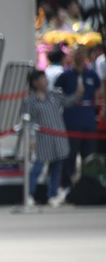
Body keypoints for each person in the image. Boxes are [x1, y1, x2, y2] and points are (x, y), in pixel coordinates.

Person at [54, 45, 101, 197]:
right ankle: (67, 185)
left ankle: (90, 186)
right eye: (77, 53)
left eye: (82, 53)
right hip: (72, 120)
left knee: (89, 156)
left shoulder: (92, 75)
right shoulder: (65, 76)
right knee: (70, 156)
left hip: (88, 120)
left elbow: (98, 94)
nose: (80, 56)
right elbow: (57, 96)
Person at [21, 69, 71, 206]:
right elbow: (27, 121)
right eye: (43, 79)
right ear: (35, 83)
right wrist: (30, 138)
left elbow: (68, 102)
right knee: (37, 167)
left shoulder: (54, 96)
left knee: (56, 168)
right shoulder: (30, 101)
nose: (46, 81)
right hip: (41, 138)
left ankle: (53, 195)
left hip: (58, 136)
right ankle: (29, 194)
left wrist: (79, 93)